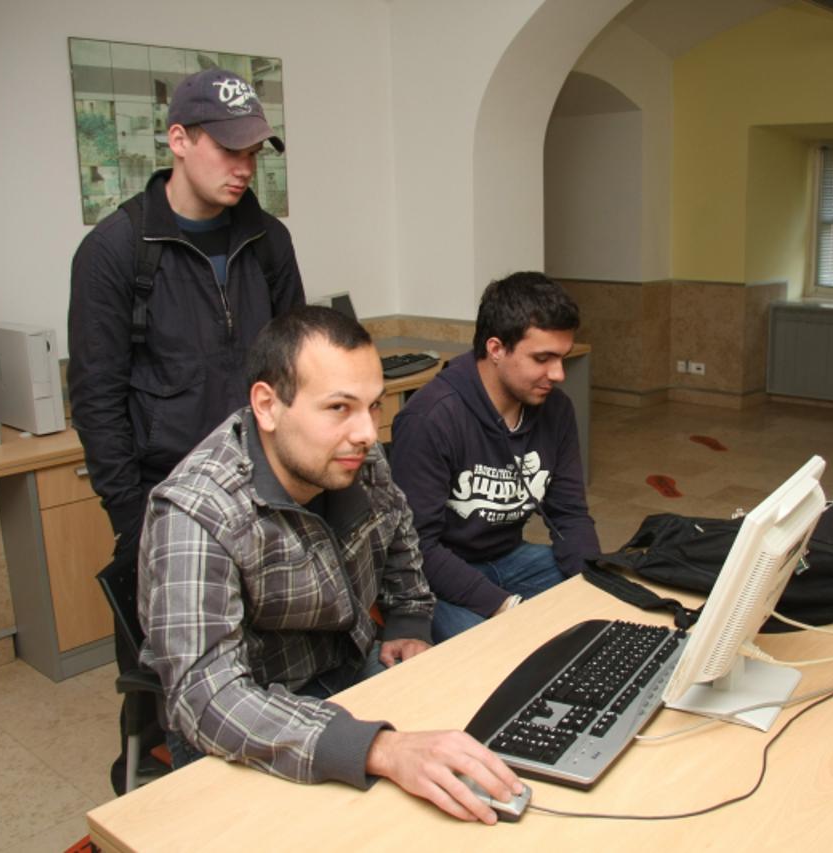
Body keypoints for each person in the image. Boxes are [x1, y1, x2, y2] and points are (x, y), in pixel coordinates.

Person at [138, 306, 522, 823]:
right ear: (267, 406)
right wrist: (378, 748)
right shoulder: (197, 511)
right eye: (339, 407)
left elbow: (400, 535)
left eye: (373, 405)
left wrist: (409, 620)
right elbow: (207, 698)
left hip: (348, 671)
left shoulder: (354, 456)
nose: (366, 433)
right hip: (247, 716)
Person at [67, 66, 304, 793]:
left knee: (264, 671)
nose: (244, 167)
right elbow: (97, 399)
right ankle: (164, 788)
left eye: (253, 152)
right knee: (181, 687)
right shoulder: (115, 251)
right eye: (229, 149)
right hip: (165, 505)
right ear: (178, 139)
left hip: (263, 495)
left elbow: (297, 367)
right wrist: (133, 522)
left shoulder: (268, 240)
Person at [390, 271, 599, 641]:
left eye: (562, 358)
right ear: (496, 349)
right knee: (495, 648)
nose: (558, 374)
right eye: (543, 358)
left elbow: (570, 515)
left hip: (512, 559)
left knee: (598, 603)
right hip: (437, 574)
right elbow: (417, 547)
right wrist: (505, 607)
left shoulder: (557, 409)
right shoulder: (430, 418)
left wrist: (592, 586)